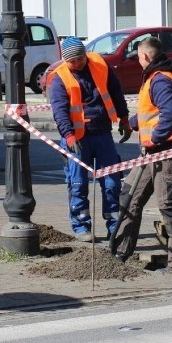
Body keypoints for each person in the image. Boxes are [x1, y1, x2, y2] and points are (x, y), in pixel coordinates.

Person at [112, 36, 172, 273]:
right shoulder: (155, 78)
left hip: (168, 153)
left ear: (145, 56)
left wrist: (155, 138)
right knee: (129, 196)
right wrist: (132, 123)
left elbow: (169, 116)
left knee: (169, 205)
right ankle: (119, 255)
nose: (137, 61)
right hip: (152, 153)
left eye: (137, 56)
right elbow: (153, 113)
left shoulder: (160, 80)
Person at [50, 36, 132, 242]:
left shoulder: (100, 66)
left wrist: (124, 118)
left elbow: (116, 92)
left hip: (102, 133)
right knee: (78, 183)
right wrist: (68, 135)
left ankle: (114, 227)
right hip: (76, 139)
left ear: (85, 55)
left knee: (112, 183)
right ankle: (81, 227)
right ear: (65, 60)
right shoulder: (59, 78)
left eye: (80, 59)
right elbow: (59, 111)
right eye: (72, 61)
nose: (77, 64)